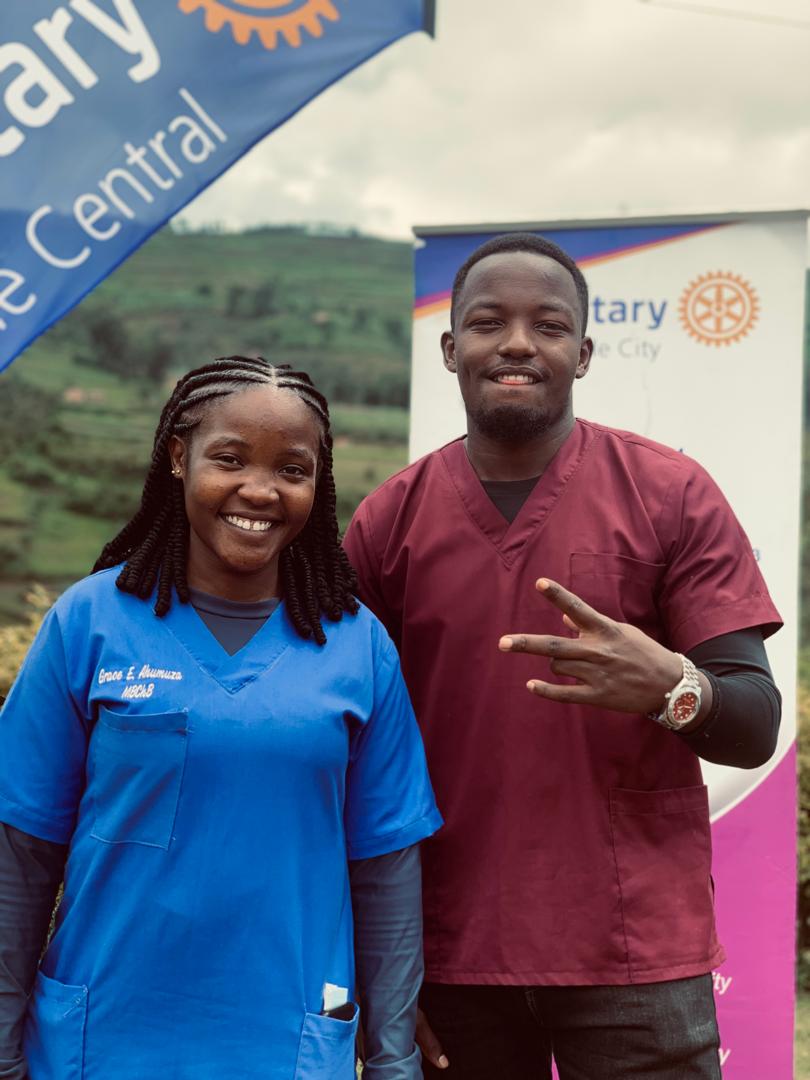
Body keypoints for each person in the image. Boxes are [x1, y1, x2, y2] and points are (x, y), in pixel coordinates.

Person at [343, 234, 782, 1080]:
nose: (515, 343)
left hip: (632, 952)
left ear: (582, 352)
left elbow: (752, 724)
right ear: (450, 349)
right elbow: (347, 758)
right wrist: (379, 964)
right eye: (486, 322)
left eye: (547, 324)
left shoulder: (670, 494)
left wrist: (671, 688)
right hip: (449, 951)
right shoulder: (389, 522)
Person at [0, 356, 442, 1080]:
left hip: (287, 1041)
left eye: (292, 470)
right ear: (178, 458)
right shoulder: (90, 623)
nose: (260, 491)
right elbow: (20, 853)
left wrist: (395, 1061)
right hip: (101, 1039)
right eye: (229, 459)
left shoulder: (357, 646)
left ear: (318, 482)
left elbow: (386, 869)